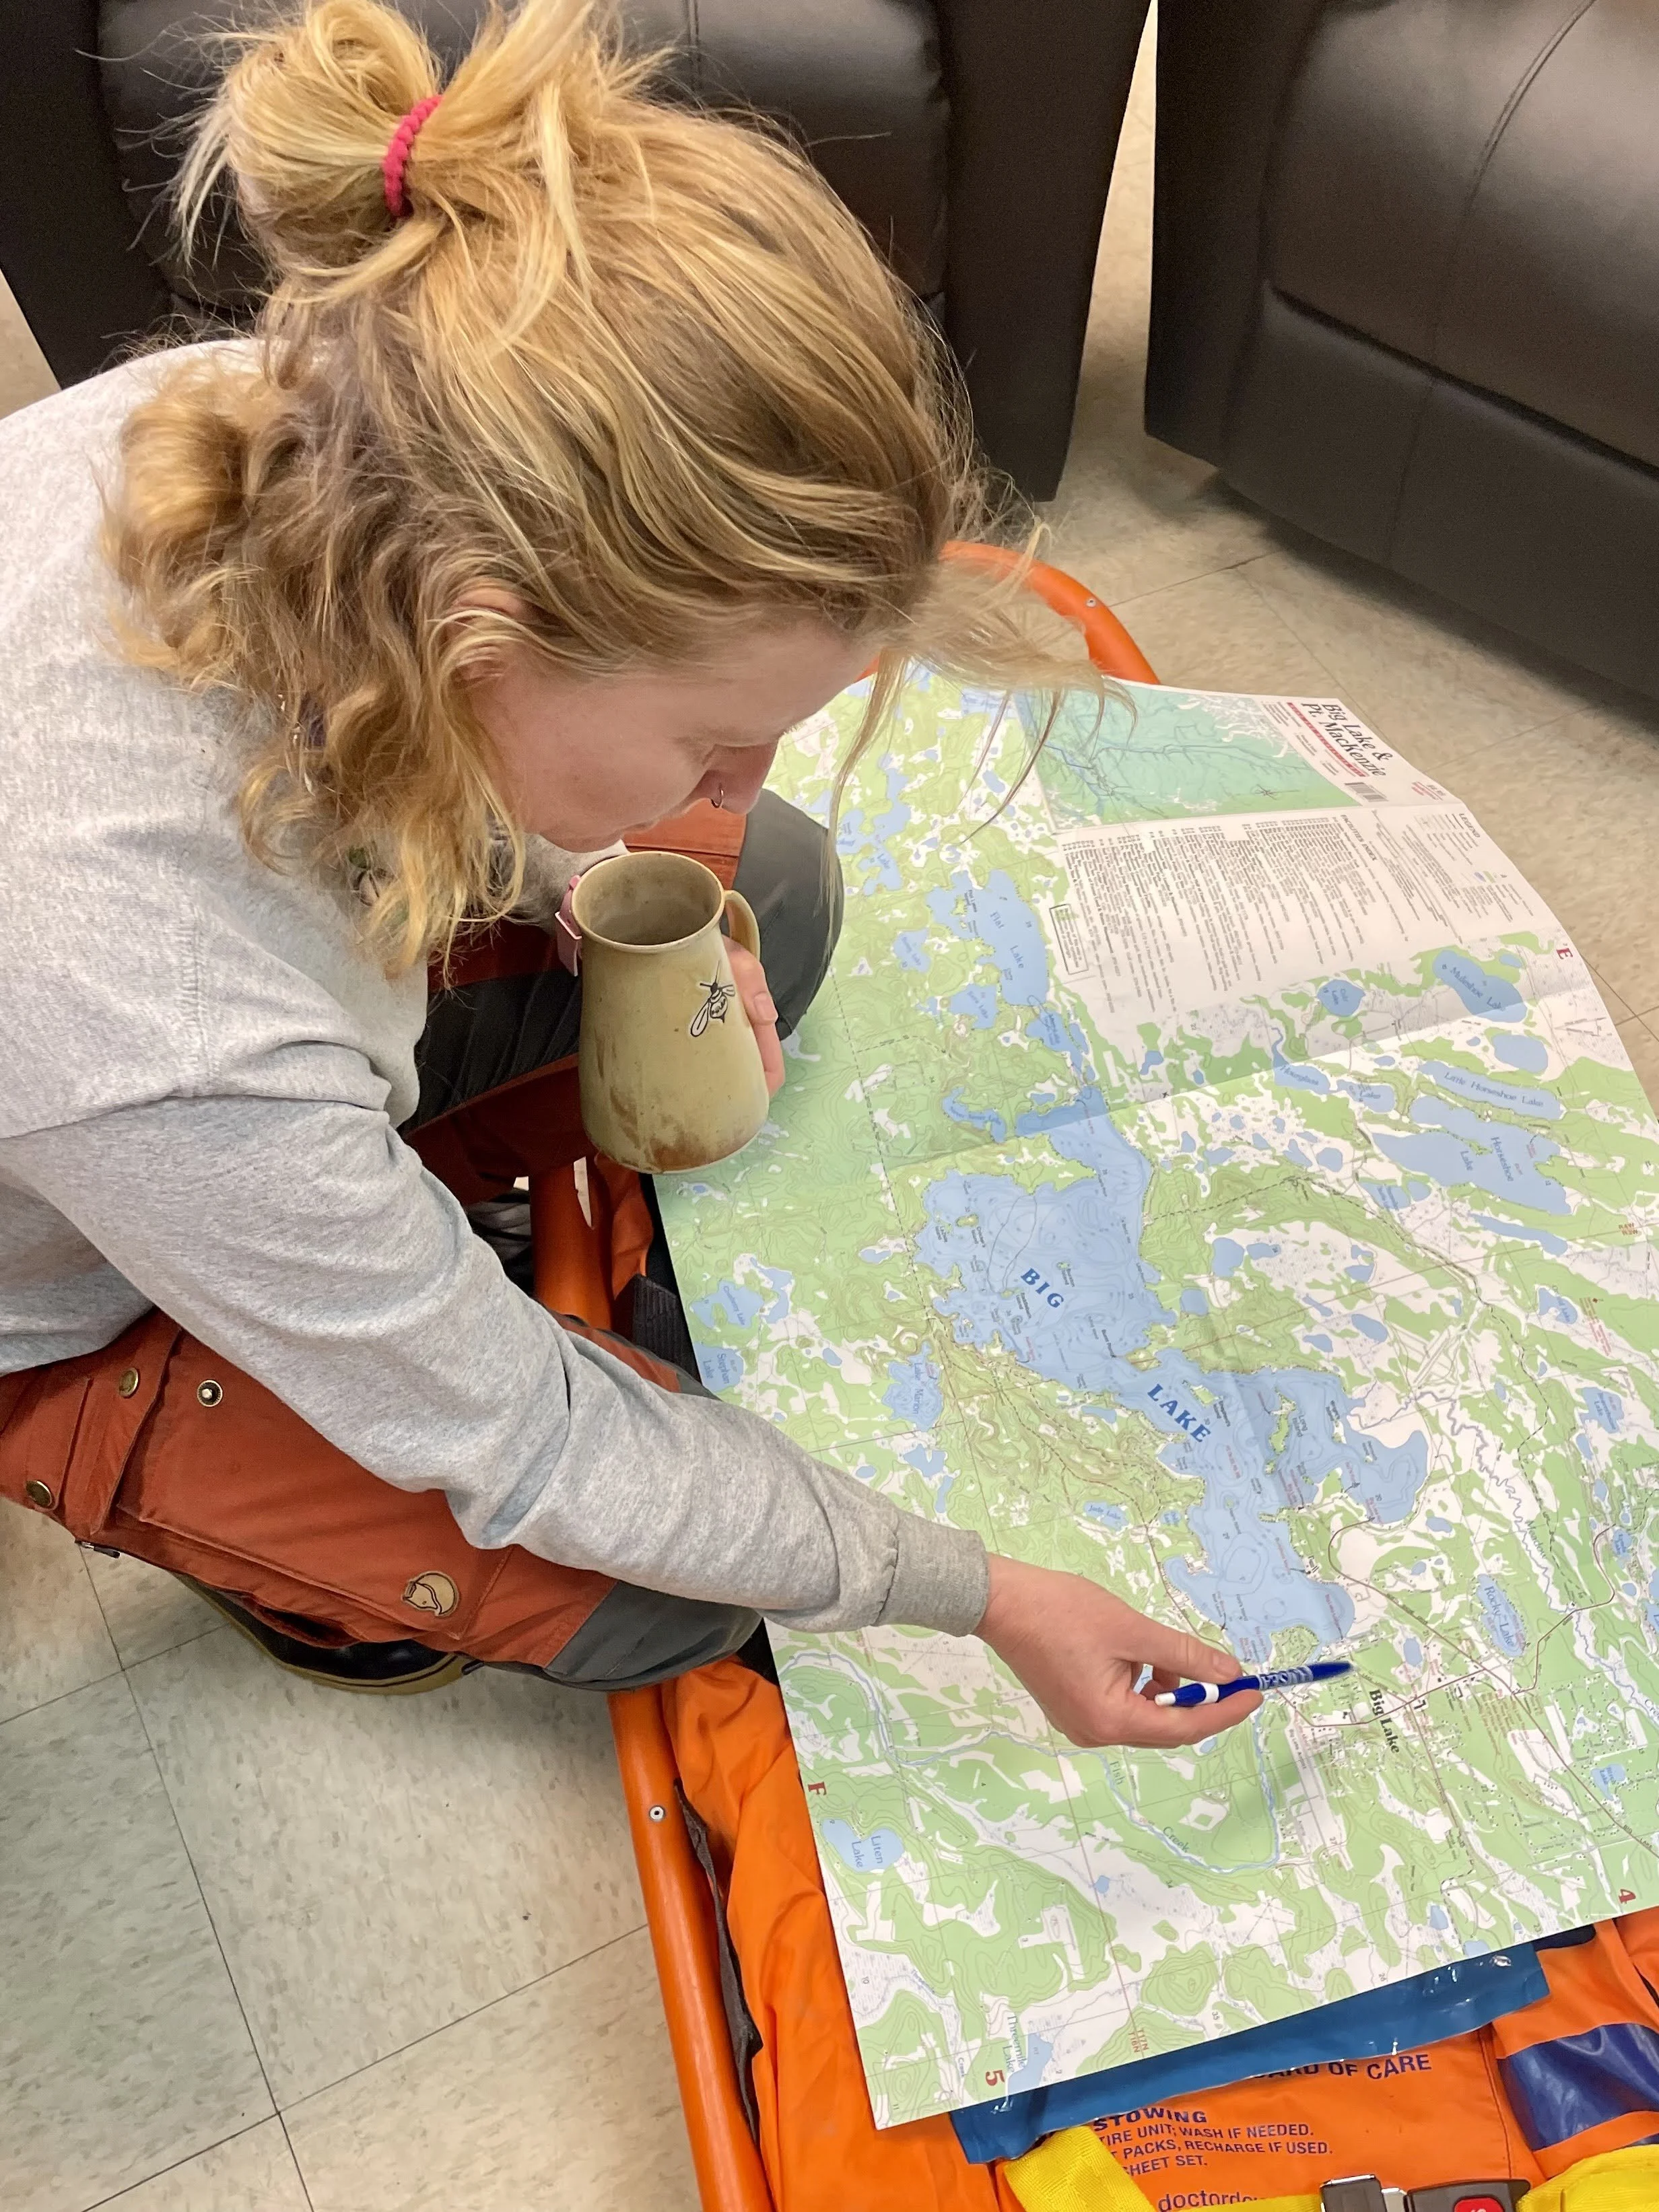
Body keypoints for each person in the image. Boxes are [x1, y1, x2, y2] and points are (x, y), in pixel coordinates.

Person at [0, 0, 1258, 1752]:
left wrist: (619, 857)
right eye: (715, 735)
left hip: (208, 1049)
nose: (742, 779)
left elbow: (523, 772)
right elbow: (533, 1439)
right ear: (482, 635)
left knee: (763, 889)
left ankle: (369, 1232)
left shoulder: (330, 410)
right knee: (668, 1589)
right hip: (63, 1280)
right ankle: (216, 1464)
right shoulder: (147, 1006)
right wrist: (984, 1592)